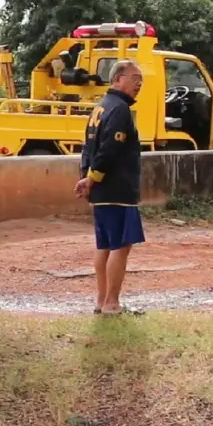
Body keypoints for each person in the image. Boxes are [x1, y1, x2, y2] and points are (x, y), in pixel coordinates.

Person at [74, 59, 146, 315]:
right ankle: (112, 303)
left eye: (141, 79)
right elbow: (109, 149)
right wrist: (92, 179)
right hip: (116, 189)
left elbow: (87, 148)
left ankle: (102, 300)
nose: (139, 83)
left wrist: (87, 178)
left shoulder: (101, 108)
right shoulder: (120, 109)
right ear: (118, 78)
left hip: (101, 188)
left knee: (104, 245)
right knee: (120, 245)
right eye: (134, 77)